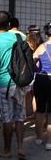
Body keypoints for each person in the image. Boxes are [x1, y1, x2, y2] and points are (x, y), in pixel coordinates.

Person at [0, 11, 26, 160]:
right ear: (9, 24)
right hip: (20, 84)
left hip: (3, 84)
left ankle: (7, 150)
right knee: (20, 116)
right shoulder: (20, 37)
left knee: (7, 118)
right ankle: (20, 147)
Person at [33, 22, 51, 150]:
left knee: (40, 111)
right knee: (50, 113)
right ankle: (49, 142)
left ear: (46, 33)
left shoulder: (41, 47)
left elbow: (32, 62)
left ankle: (39, 138)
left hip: (40, 79)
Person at [25, 25, 43, 119]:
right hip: (39, 74)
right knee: (36, 96)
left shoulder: (27, 44)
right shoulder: (42, 44)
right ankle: (37, 116)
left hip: (30, 74)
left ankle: (22, 117)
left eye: (27, 33)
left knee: (28, 96)